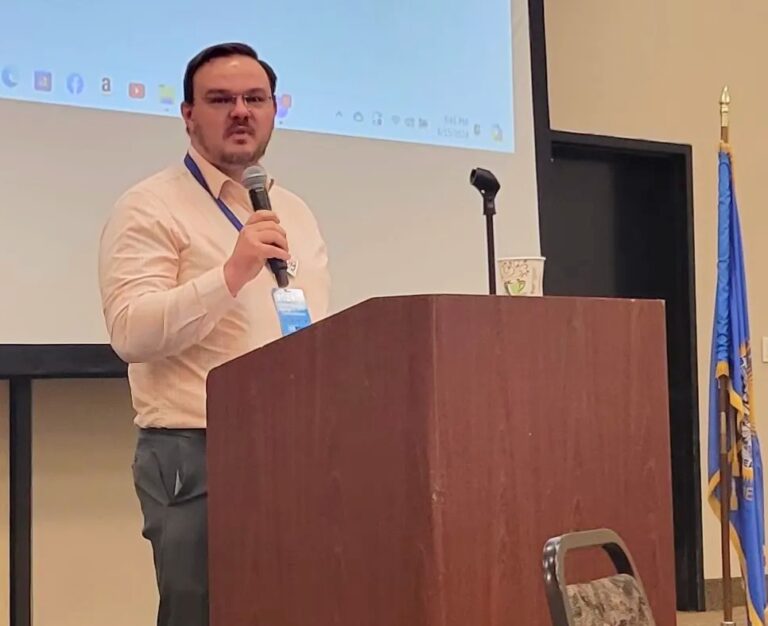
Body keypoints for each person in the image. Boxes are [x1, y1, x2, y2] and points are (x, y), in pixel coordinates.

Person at [98, 42, 331, 626]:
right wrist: (230, 274)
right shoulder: (150, 207)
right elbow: (130, 331)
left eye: (255, 98)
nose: (240, 111)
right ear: (187, 114)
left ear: (275, 109)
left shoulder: (294, 211)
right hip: (193, 450)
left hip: (296, 446)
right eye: (220, 99)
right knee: (202, 613)